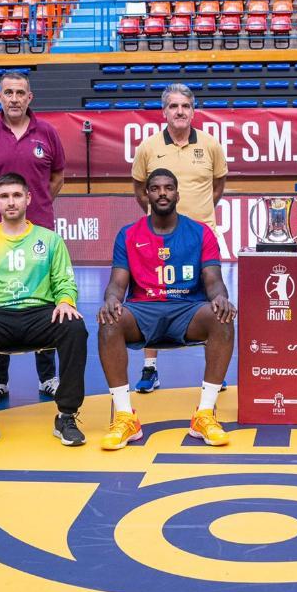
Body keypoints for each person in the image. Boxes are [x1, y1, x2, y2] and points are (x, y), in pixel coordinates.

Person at [97, 168, 236, 450]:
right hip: (143, 310)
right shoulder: (128, 234)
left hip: (188, 310)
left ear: (177, 193)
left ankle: (204, 414)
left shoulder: (200, 232)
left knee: (221, 317)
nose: (162, 193)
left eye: (168, 188)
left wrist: (221, 298)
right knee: (110, 321)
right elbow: (116, 284)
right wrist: (111, 300)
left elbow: (214, 281)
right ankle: (126, 418)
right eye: (156, 188)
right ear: (146, 194)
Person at [0, 172, 87, 451]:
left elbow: (64, 281)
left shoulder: (50, 239)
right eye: (4, 196)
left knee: (74, 327)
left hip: (40, 312)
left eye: (16, 195)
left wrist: (65, 302)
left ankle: (66, 416)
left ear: (28, 198)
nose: (11, 202)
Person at [0, 70, 66, 401]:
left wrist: (33, 209)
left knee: (45, 297)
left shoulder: (47, 133)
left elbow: (58, 176)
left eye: (20, 93)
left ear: (30, 97)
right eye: (8, 92)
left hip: (39, 229)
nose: (14, 98)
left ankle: (48, 376)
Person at [129, 83, 229, 394]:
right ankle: (150, 369)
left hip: (201, 239)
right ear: (164, 112)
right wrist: (160, 221)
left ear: (193, 110)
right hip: (159, 238)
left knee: (209, 300)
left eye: (185, 106)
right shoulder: (148, 147)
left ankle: (212, 373)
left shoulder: (211, 145)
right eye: (173, 106)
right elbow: (139, 190)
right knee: (151, 297)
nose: (180, 112)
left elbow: (218, 186)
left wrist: (195, 223)